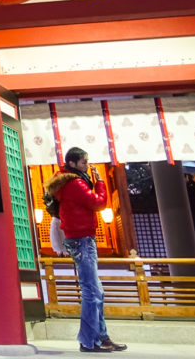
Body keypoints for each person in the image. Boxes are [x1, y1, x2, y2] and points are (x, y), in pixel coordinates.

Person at [45, 148, 127, 353]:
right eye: (83, 162)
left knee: (96, 290)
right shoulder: (74, 183)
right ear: (71, 164)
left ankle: (102, 338)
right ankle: (88, 340)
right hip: (81, 238)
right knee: (91, 291)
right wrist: (100, 183)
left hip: (79, 237)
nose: (87, 165)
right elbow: (98, 202)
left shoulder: (66, 181)